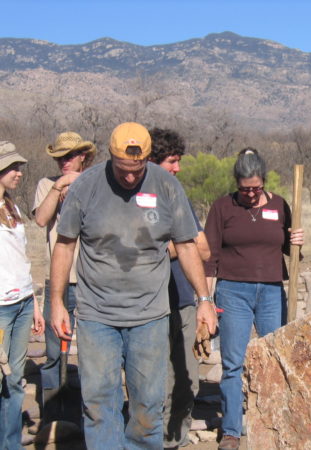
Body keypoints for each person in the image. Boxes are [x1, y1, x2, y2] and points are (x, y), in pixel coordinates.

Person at [49, 122, 217, 449]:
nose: (129, 177)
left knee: (147, 406)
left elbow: (186, 245)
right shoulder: (86, 186)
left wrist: (204, 299)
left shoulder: (166, 186)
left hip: (150, 316)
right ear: (110, 157)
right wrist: (57, 302)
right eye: (122, 169)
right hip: (97, 316)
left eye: (137, 169)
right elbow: (65, 244)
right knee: (98, 404)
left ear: (148, 159)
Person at [203, 148, 304, 450]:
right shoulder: (223, 208)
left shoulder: (281, 206)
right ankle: (232, 430)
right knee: (233, 363)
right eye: (244, 189)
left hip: (272, 290)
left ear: (264, 182)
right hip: (233, 291)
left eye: (256, 188)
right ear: (236, 183)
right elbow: (209, 257)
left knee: (275, 358)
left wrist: (297, 241)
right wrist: (205, 299)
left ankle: (275, 422)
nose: (250, 194)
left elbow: (290, 249)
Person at [148, 127, 211, 448]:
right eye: (172, 161)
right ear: (153, 161)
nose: (178, 168)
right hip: (149, 306)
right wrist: (176, 244)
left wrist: (166, 246)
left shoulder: (177, 195)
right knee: (154, 383)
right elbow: (138, 253)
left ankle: (178, 438)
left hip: (184, 301)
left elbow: (203, 249)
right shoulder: (134, 199)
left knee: (187, 380)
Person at [32, 131, 96, 423]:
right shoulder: (46, 184)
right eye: (59, 158)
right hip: (57, 282)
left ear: (83, 156)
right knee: (53, 352)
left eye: (69, 156)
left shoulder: (96, 184)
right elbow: (41, 219)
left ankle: (85, 415)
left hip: (91, 282)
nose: (64, 162)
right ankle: (52, 417)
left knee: (92, 352)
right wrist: (58, 188)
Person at [0, 141, 45, 449]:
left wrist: (35, 304)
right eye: (13, 168)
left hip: (21, 302)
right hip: (1, 307)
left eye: (18, 167)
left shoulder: (11, 206)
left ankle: (10, 442)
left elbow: (21, 257)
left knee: (14, 378)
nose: (18, 173)